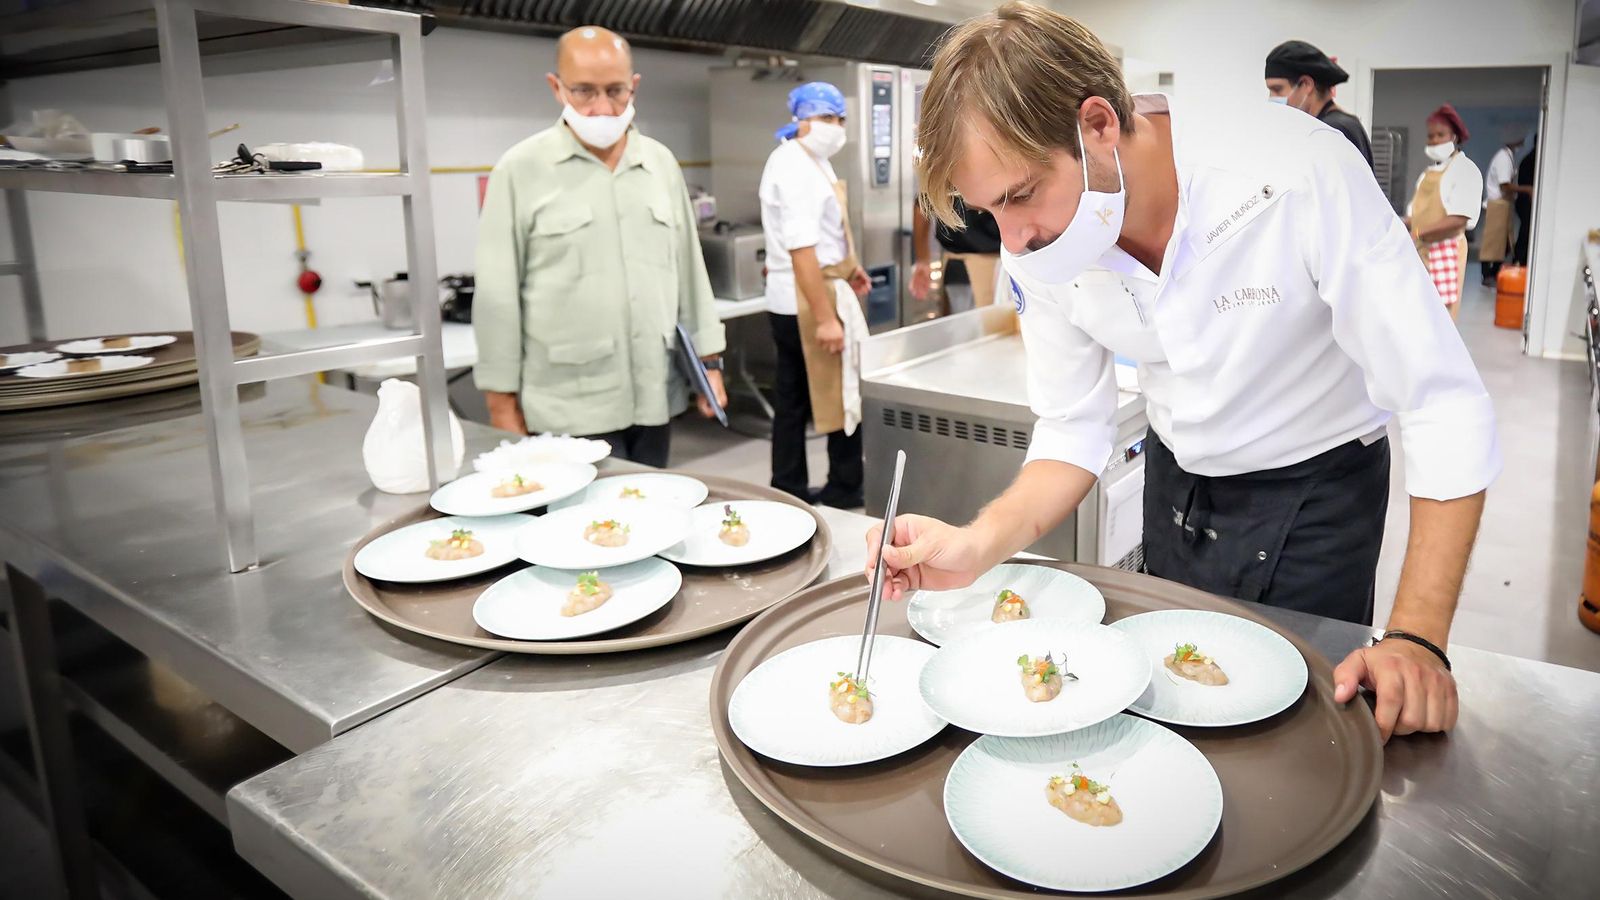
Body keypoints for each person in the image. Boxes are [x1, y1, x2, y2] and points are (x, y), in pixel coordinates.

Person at [869, 2, 1499, 744]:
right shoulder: (1037, 248)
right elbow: (1073, 427)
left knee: (1301, 739)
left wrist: (1417, 638)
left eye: (1018, 196)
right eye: (989, 213)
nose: (1016, 240)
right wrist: (975, 547)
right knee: (1172, 708)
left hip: (1316, 494)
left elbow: (1440, 402)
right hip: (1179, 490)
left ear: (1099, 125)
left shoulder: (1292, 172)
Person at [473, 26, 727, 467]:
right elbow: (497, 294)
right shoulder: (521, 170)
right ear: (556, 88)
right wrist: (500, 402)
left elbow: (689, 269)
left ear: (635, 86)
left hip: (653, 393)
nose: (602, 108)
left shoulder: (659, 164)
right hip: (568, 405)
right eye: (584, 92)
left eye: (616, 91)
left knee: (646, 516)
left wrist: (710, 364)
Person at [758, 82, 870, 509]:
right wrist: (825, 318)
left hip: (816, 288)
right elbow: (802, 250)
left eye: (839, 119)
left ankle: (790, 487)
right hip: (804, 301)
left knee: (799, 397)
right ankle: (835, 488)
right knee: (832, 395)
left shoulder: (813, 160)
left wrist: (849, 267)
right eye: (825, 118)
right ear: (800, 120)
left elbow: (825, 235)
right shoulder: (793, 165)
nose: (834, 128)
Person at [1406, 105, 1481, 321]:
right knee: (1417, 313)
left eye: (1441, 135)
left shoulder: (1465, 170)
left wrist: (1418, 233)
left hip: (1445, 251)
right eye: (1431, 136)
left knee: (1439, 318)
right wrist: (1403, 223)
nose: (1435, 141)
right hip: (1421, 250)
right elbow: (1418, 215)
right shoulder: (1428, 173)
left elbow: (1458, 221)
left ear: (1454, 136)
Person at [1264, 40, 1374, 171]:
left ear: (1306, 84)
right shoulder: (1340, 123)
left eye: (1277, 89)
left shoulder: (1331, 130)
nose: (1272, 98)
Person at [910, 198, 1003, 312]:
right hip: (970, 270)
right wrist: (922, 260)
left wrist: (923, 260)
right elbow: (922, 205)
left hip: (971, 267)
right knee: (975, 325)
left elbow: (921, 206)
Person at [1478, 134, 1523, 285]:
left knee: (1503, 242)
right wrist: (1527, 190)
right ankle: (1488, 274)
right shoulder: (1503, 158)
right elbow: (1505, 185)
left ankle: (1495, 272)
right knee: (1493, 242)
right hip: (1498, 204)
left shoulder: (1507, 156)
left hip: (1502, 203)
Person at [1508, 137, 1537, 266]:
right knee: (1526, 230)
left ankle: (1521, 258)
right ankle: (1520, 259)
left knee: (1526, 230)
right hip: (1526, 202)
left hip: (1524, 202)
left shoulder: (1530, 159)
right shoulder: (1531, 160)